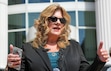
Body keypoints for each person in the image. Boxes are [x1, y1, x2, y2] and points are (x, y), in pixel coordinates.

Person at [7, 3, 109, 71]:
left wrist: (99, 60)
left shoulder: (74, 46)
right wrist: (12, 66)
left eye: (62, 20)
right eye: (54, 19)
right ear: (44, 22)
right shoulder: (28, 49)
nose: (58, 23)